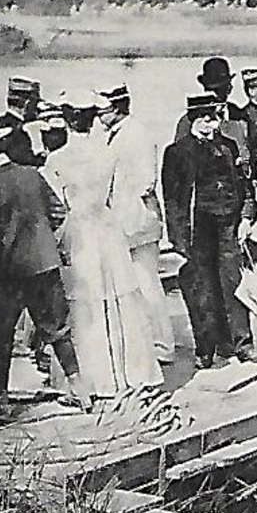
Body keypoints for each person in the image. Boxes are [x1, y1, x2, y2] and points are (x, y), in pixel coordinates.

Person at [0, 120, 88, 416]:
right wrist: (44, 244)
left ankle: (0, 399)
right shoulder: (32, 175)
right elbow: (58, 214)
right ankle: (81, 392)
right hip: (45, 265)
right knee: (58, 330)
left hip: (8, 275)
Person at [48, 92, 160, 405]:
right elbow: (115, 193)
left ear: (68, 120)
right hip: (106, 228)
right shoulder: (107, 151)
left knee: (85, 305)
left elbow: (57, 206)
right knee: (118, 301)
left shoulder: (58, 159)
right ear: (92, 117)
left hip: (79, 228)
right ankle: (129, 374)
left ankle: (91, 379)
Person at [163, 92, 257, 368]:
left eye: (214, 119)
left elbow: (245, 188)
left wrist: (247, 218)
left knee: (233, 282)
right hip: (196, 229)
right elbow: (173, 200)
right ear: (193, 119)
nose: (211, 125)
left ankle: (241, 343)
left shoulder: (229, 147)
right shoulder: (177, 152)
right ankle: (205, 348)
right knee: (200, 289)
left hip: (228, 225)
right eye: (205, 119)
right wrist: (179, 241)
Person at [99, 82, 175, 366]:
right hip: (124, 222)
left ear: (118, 108)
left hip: (139, 222)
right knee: (136, 285)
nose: (98, 116)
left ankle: (163, 345)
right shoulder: (116, 134)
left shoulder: (136, 135)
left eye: (103, 111)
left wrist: (120, 198)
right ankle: (147, 340)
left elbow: (146, 181)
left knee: (147, 285)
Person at [0, 76, 47, 166]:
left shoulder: (0, 124)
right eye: (35, 104)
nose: (36, 109)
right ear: (27, 104)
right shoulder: (19, 132)